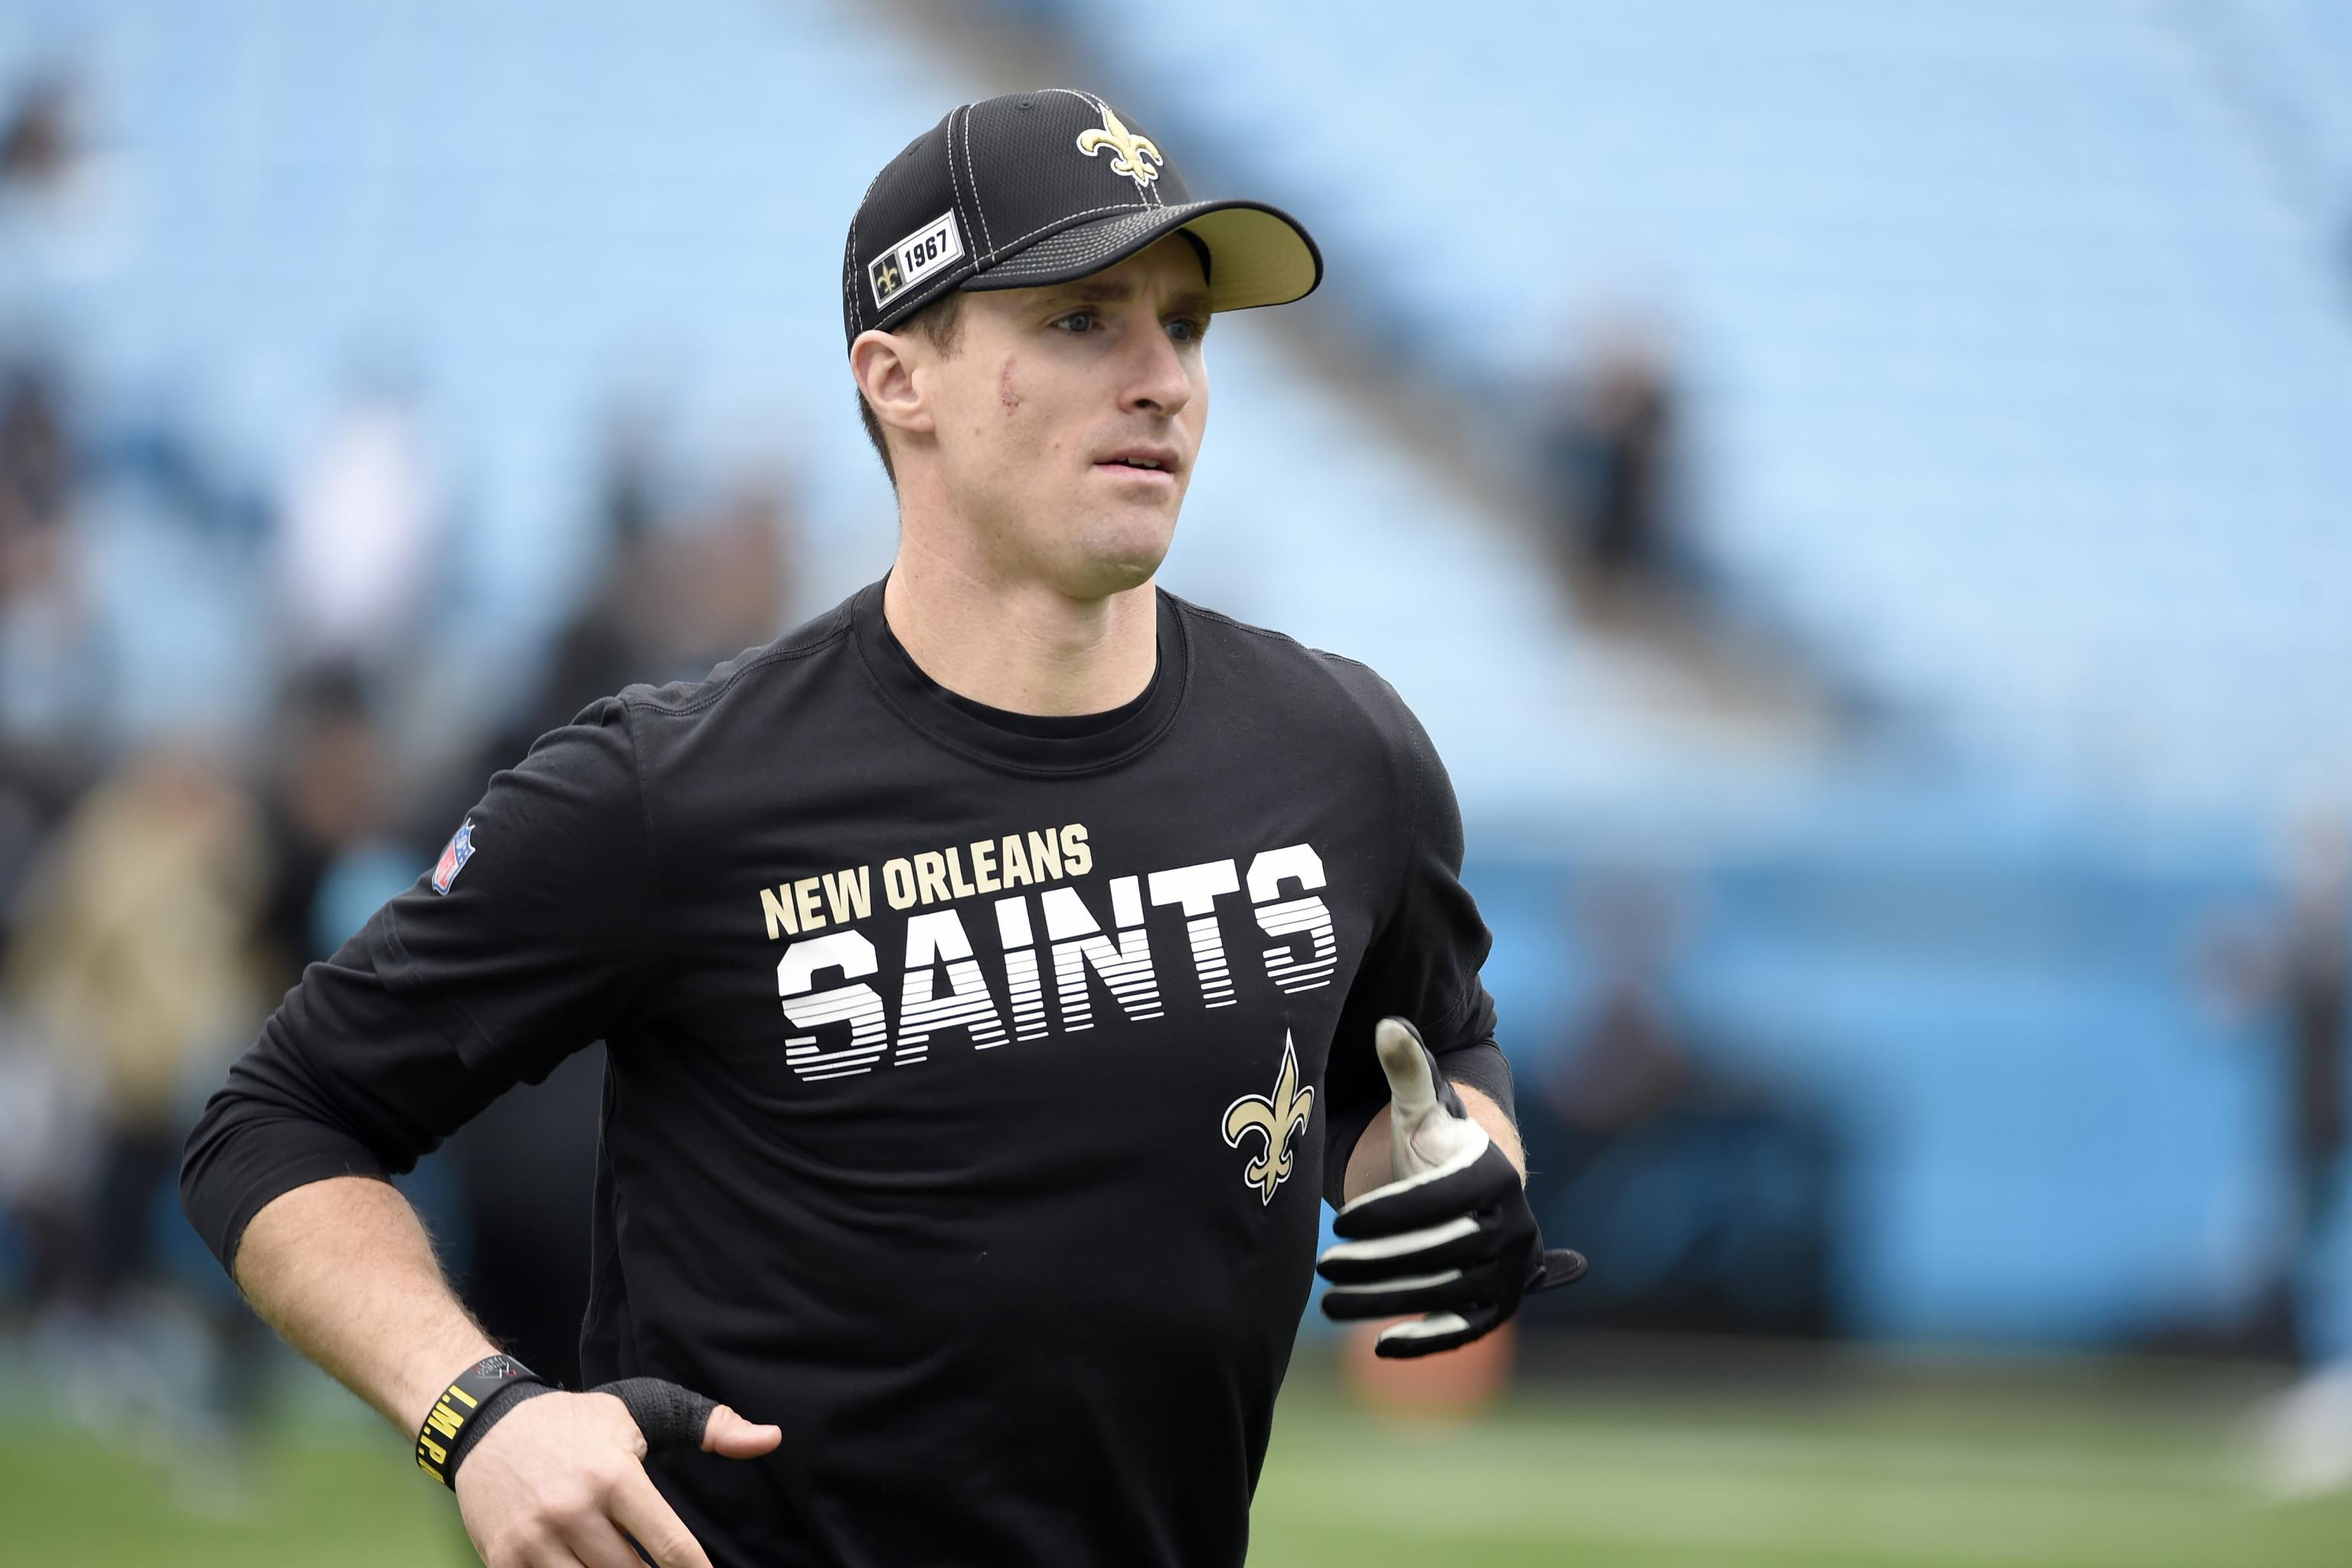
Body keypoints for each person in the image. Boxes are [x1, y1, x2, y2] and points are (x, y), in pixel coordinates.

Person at [179, 90, 1583, 1568]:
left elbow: (1425, 1052)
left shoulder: (1340, 752)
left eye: (1186, 325)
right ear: (897, 378)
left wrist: (1460, 1157)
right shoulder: (673, 790)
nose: (1163, 377)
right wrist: (477, 1409)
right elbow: (272, 1123)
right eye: (1081, 320)